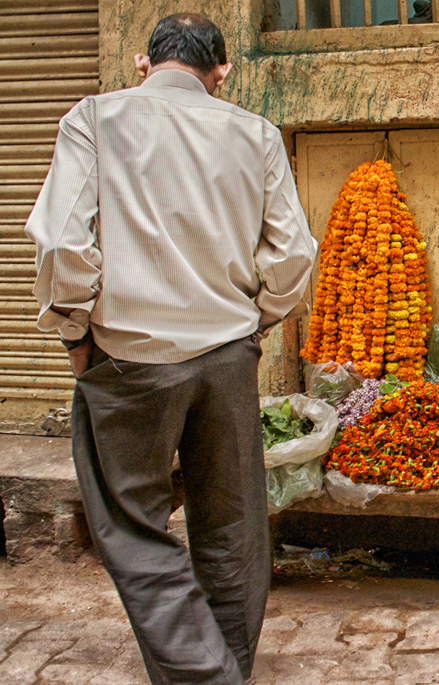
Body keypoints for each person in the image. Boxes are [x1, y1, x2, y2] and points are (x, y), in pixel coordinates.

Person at [24, 14, 316, 684]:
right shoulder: (255, 133)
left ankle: (205, 676)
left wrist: (75, 332)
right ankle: (224, 669)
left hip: (128, 359)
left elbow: (64, 245)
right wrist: (256, 322)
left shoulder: (93, 119)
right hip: (227, 358)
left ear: (142, 64)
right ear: (222, 73)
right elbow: (294, 256)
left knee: (132, 527)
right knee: (232, 529)